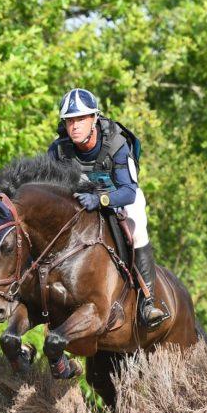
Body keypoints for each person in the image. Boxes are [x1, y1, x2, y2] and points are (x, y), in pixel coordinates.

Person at [48, 88, 169, 327]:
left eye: (81, 119)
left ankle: (148, 301)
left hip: (119, 197)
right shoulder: (59, 149)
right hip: (80, 202)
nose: (75, 126)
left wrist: (101, 200)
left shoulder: (116, 142)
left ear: (94, 118)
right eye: (70, 120)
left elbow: (128, 191)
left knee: (137, 224)